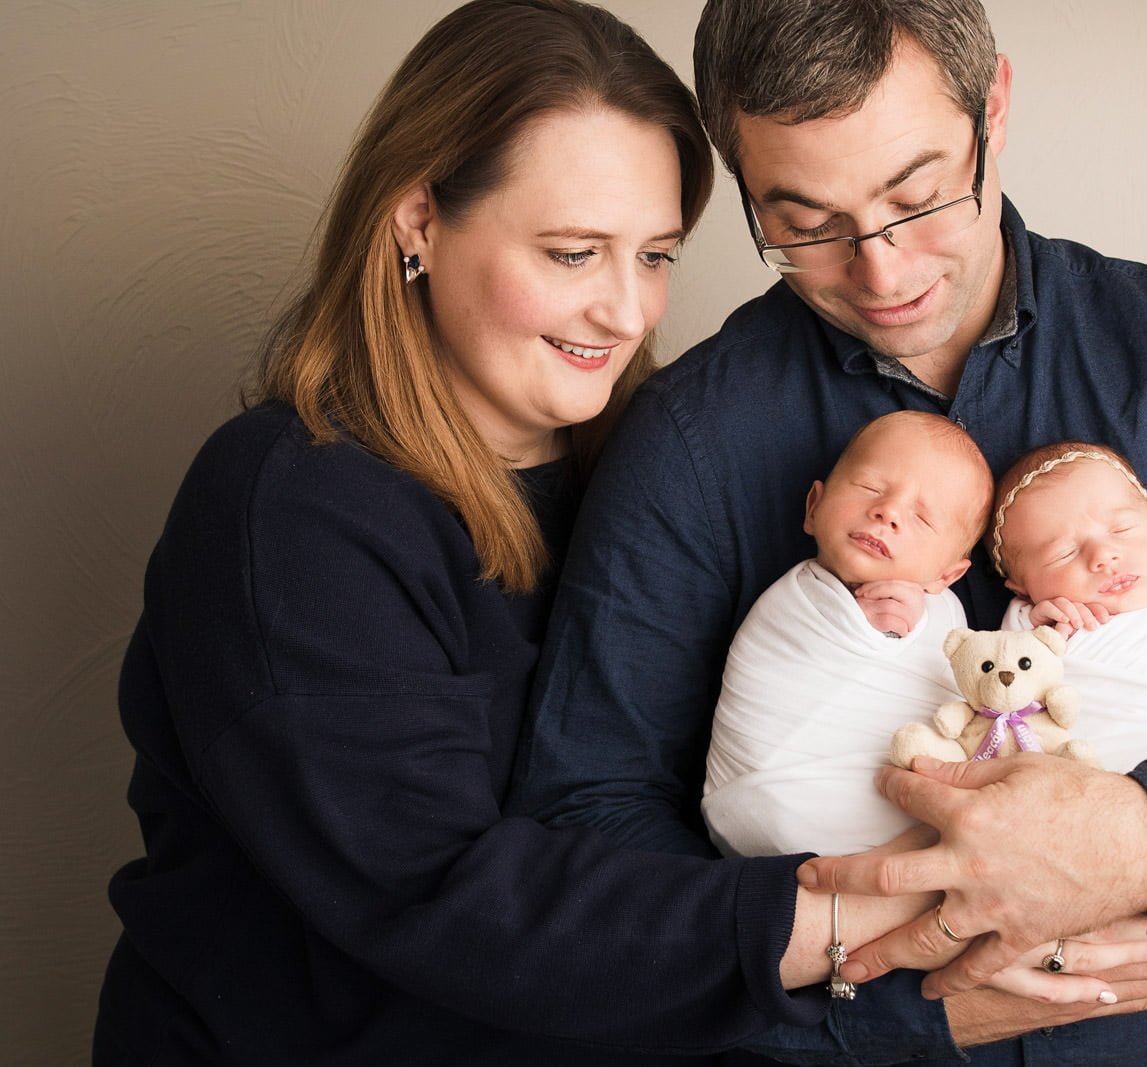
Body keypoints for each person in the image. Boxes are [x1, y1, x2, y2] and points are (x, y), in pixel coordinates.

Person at [512, 0, 1147, 1062]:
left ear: (997, 107)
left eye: (919, 197)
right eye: (802, 223)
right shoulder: (685, 436)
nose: (881, 275)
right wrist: (884, 1005)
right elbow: (587, 808)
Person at [92, 2, 982, 1063]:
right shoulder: (289, 509)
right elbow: (446, 895)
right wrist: (901, 929)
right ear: (418, 217)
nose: (625, 311)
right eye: (571, 253)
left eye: (654, 255)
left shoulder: (651, 476)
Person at [702, 410, 992, 858]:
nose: (888, 512)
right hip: (772, 807)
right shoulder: (796, 603)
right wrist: (876, 635)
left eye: (922, 517)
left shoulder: (948, 618)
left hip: (897, 834)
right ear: (813, 507)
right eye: (871, 488)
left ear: (947, 575)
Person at [990, 441, 1147, 773]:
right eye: (1064, 553)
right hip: (1075, 783)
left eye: (1122, 529)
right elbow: (997, 687)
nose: (1103, 555)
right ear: (1023, 588)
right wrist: (1034, 631)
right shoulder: (1038, 624)